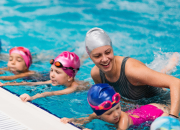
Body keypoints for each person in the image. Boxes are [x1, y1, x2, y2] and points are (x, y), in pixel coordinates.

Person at [84, 27, 180, 117]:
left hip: (165, 103)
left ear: (112, 49)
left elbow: (176, 83)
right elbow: (108, 105)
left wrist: (172, 118)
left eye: (108, 52)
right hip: (140, 107)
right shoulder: (96, 75)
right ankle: (167, 67)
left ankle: (170, 65)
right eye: (97, 56)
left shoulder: (132, 71)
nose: (104, 59)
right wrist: (84, 119)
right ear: (90, 56)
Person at [61, 83, 171, 130]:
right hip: (147, 108)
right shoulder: (98, 114)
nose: (116, 114)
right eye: (109, 113)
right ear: (99, 115)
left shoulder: (123, 120)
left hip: (160, 113)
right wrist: (71, 120)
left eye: (118, 108)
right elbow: (86, 119)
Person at [17, 51, 89, 102]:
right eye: (51, 70)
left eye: (57, 72)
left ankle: (84, 56)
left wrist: (32, 97)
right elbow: (35, 83)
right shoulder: (58, 79)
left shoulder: (74, 87)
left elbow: (53, 93)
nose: (52, 75)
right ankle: (83, 57)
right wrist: (9, 83)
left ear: (69, 77)